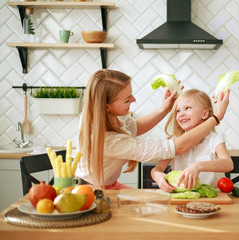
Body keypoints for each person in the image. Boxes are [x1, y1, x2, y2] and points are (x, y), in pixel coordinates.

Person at [75, 69, 229, 190]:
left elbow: (135, 127)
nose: (134, 100)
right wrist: (216, 117)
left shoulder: (105, 114)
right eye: (127, 99)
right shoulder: (104, 138)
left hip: (111, 185)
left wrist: (163, 109)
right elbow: (179, 147)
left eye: (187, 108)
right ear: (107, 107)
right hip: (91, 189)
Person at [151, 89, 234, 192]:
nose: (181, 114)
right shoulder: (175, 142)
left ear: (204, 114)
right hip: (181, 198)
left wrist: (199, 166)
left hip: (210, 199)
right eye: (178, 111)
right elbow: (157, 169)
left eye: (187, 108)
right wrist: (157, 175)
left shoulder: (214, 139)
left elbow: (228, 164)